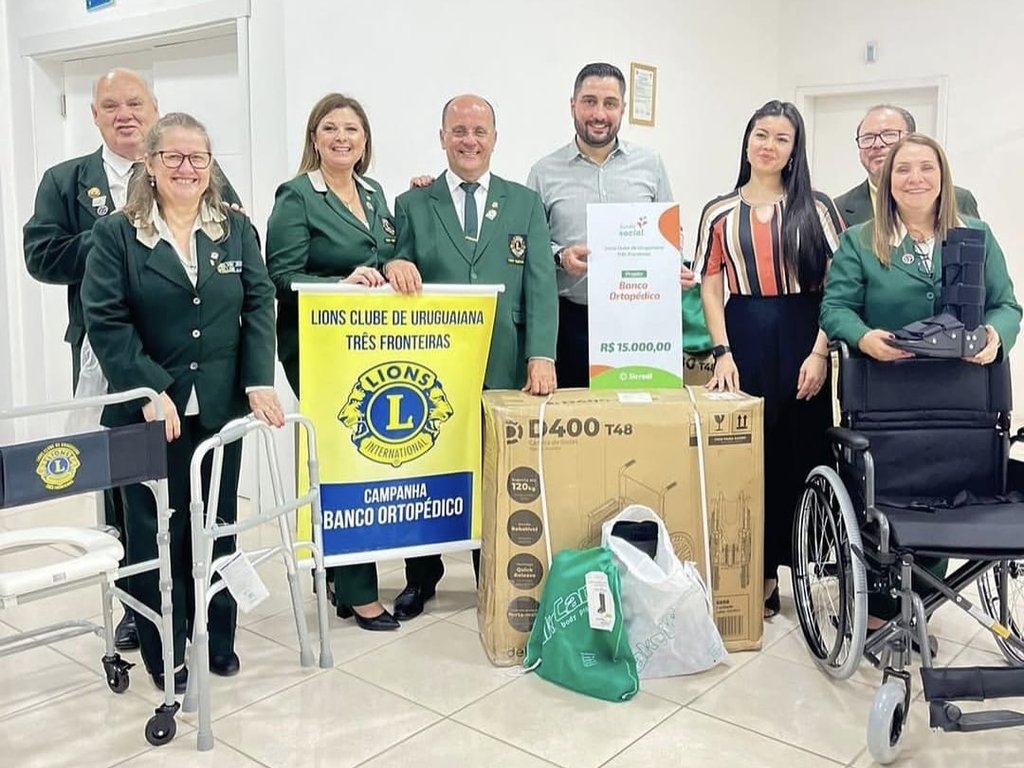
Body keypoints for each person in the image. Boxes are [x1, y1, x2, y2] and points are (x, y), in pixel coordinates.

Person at [22, 68, 243, 650]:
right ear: (94, 116)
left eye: (135, 103)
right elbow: (41, 256)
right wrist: (115, 237)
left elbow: (235, 247)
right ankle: (139, 607)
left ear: (153, 111)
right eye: (110, 105)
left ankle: (206, 618)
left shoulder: (201, 171)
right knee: (129, 496)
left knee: (199, 494)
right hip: (113, 357)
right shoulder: (67, 181)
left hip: (195, 364)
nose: (124, 113)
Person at [81, 112, 283, 692]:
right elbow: (107, 320)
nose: (187, 168)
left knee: (216, 526)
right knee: (151, 536)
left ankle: (217, 639)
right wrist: (150, 389)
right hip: (145, 416)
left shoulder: (234, 229)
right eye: (173, 157)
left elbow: (259, 303)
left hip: (218, 409)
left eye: (199, 158)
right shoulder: (116, 234)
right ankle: (162, 647)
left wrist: (257, 380)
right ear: (150, 164)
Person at [820, 133, 1020, 631]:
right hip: (891, 397)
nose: (915, 179)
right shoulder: (861, 241)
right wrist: (864, 339)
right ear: (888, 181)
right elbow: (834, 308)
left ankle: (925, 602)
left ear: (942, 176)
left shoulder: (975, 235)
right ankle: (881, 608)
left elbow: (1007, 305)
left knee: (955, 483)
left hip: (962, 400)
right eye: (903, 170)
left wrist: (996, 334)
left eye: (926, 168)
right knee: (893, 492)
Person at [385, 94, 558, 620]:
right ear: (442, 137)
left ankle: (492, 569)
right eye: (458, 130)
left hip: (503, 360)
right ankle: (423, 575)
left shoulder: (525, 202)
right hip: (432, 363)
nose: (469, 140)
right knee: (427, 463)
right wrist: (394, 261)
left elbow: (541, 284)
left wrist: (541, 354)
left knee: (495, 466)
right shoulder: (412, 203)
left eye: (479, 131)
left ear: (494, 139)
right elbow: (391, 258)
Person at [695, 100, 845, 619]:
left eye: (782, 138)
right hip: (744, 337)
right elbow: (711, 287)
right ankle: (756, 576)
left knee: (800, 455)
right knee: (745, 458)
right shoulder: (718, 211)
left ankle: (803, 565)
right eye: (762, 134)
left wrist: (820, 352)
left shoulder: (817, 208)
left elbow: (837, 286)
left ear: (794, 149)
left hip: (805, 334)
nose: (769, 145)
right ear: (747, 140)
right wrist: (722, 352)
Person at [265, 93, 400, 632]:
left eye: (352, 129)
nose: (342, 137)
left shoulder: (375, 192)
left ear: (365, 140)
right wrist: (338, 285)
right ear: (314, 138)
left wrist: (398, 265)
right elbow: (280, 277)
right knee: (345, 455)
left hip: (369, 343)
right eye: (330, 128)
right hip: (317, 344)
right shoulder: (296, 196)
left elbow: (385, 252)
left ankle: (341, 575)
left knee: (367, 454)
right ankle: (358, 589)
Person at [526, 62, 704, 388]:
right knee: (576, 425)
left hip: (638, 323)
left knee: (637, 423)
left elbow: (669, 231)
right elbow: (532, 245)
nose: (599, 113)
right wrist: (560, 255)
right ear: (572, 105)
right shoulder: (543, 172)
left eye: (610, 103)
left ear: (622, 108)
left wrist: (671, 265)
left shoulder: (650, 164)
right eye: (589, 101)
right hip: (571, 323)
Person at [835, 104, 979, 226]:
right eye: (867, 138)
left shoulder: (959, 199)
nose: (877, 144)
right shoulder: (838, 209)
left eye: (889, 135)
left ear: (912, 139)